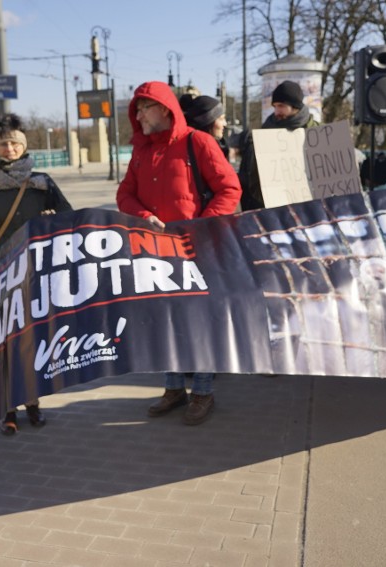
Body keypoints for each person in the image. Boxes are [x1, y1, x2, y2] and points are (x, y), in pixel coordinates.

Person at [116, 81, 241, 425]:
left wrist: (201, 227)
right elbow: (125, 195)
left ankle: (202, 392)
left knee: (199, 323)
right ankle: (173, 388)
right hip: (154, 253)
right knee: (165, 323)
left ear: (164, 109)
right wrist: (143, 216)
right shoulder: (140, 152)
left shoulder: (197, 142)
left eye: (144, 108)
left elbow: (229, 188)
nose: (138, 116)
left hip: (197, 252)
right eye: (136, 110)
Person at [0, 113, 72, 434]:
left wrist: (54, 221)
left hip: (37, 270)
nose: (9, 148)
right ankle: (8, 406)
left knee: (33, 339)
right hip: (1, 270)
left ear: (23, 144)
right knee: (5, 342)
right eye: (3, 143)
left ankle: (33, 400)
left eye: (14, 142)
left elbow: (69, 217)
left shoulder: (42, 181)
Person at [238, 80, 319, 210]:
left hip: (310, 211)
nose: (276, 112)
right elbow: (253, 182)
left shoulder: (318, 133)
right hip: (274, 213)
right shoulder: (265, 134)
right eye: (274, 106)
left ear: (295, 107)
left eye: (281, 106)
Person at [180, 94, 230, 160]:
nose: (225, 124)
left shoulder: (221, 147)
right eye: (221, 119)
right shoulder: (204, 153)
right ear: (207, 123)